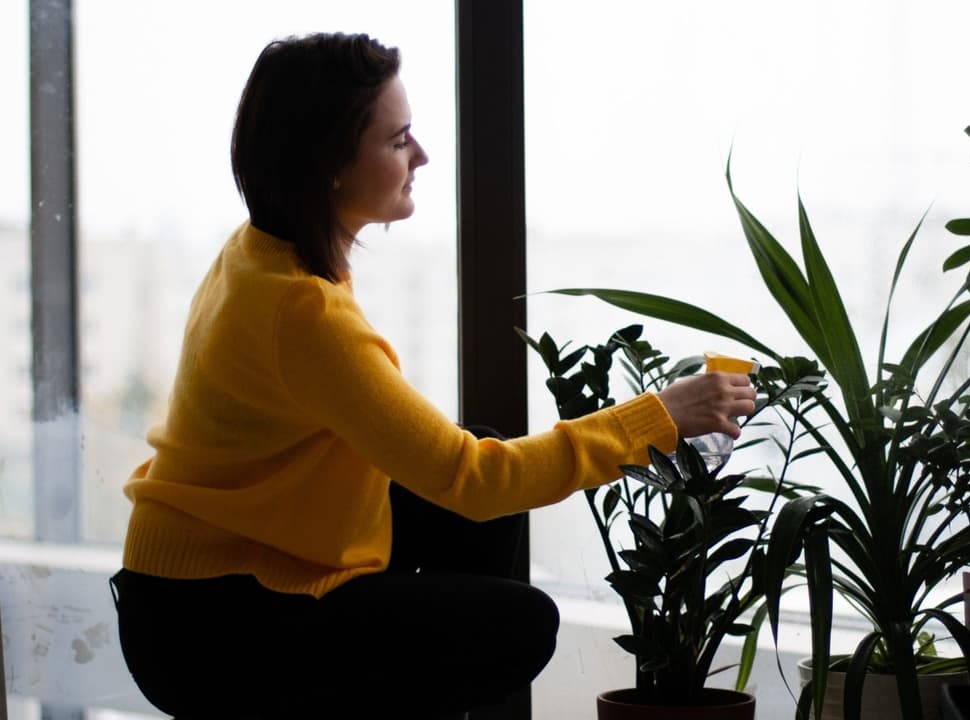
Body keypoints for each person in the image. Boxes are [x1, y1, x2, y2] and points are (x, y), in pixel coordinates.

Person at [108, 31, 756, 720]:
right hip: (213, 625)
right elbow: (477, 481)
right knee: (518, 622)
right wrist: (660, 416)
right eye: (398, 141)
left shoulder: (260, 252)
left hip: (198, 581)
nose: (422, 156)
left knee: (470, 497)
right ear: (330, 165)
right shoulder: (301, 310)